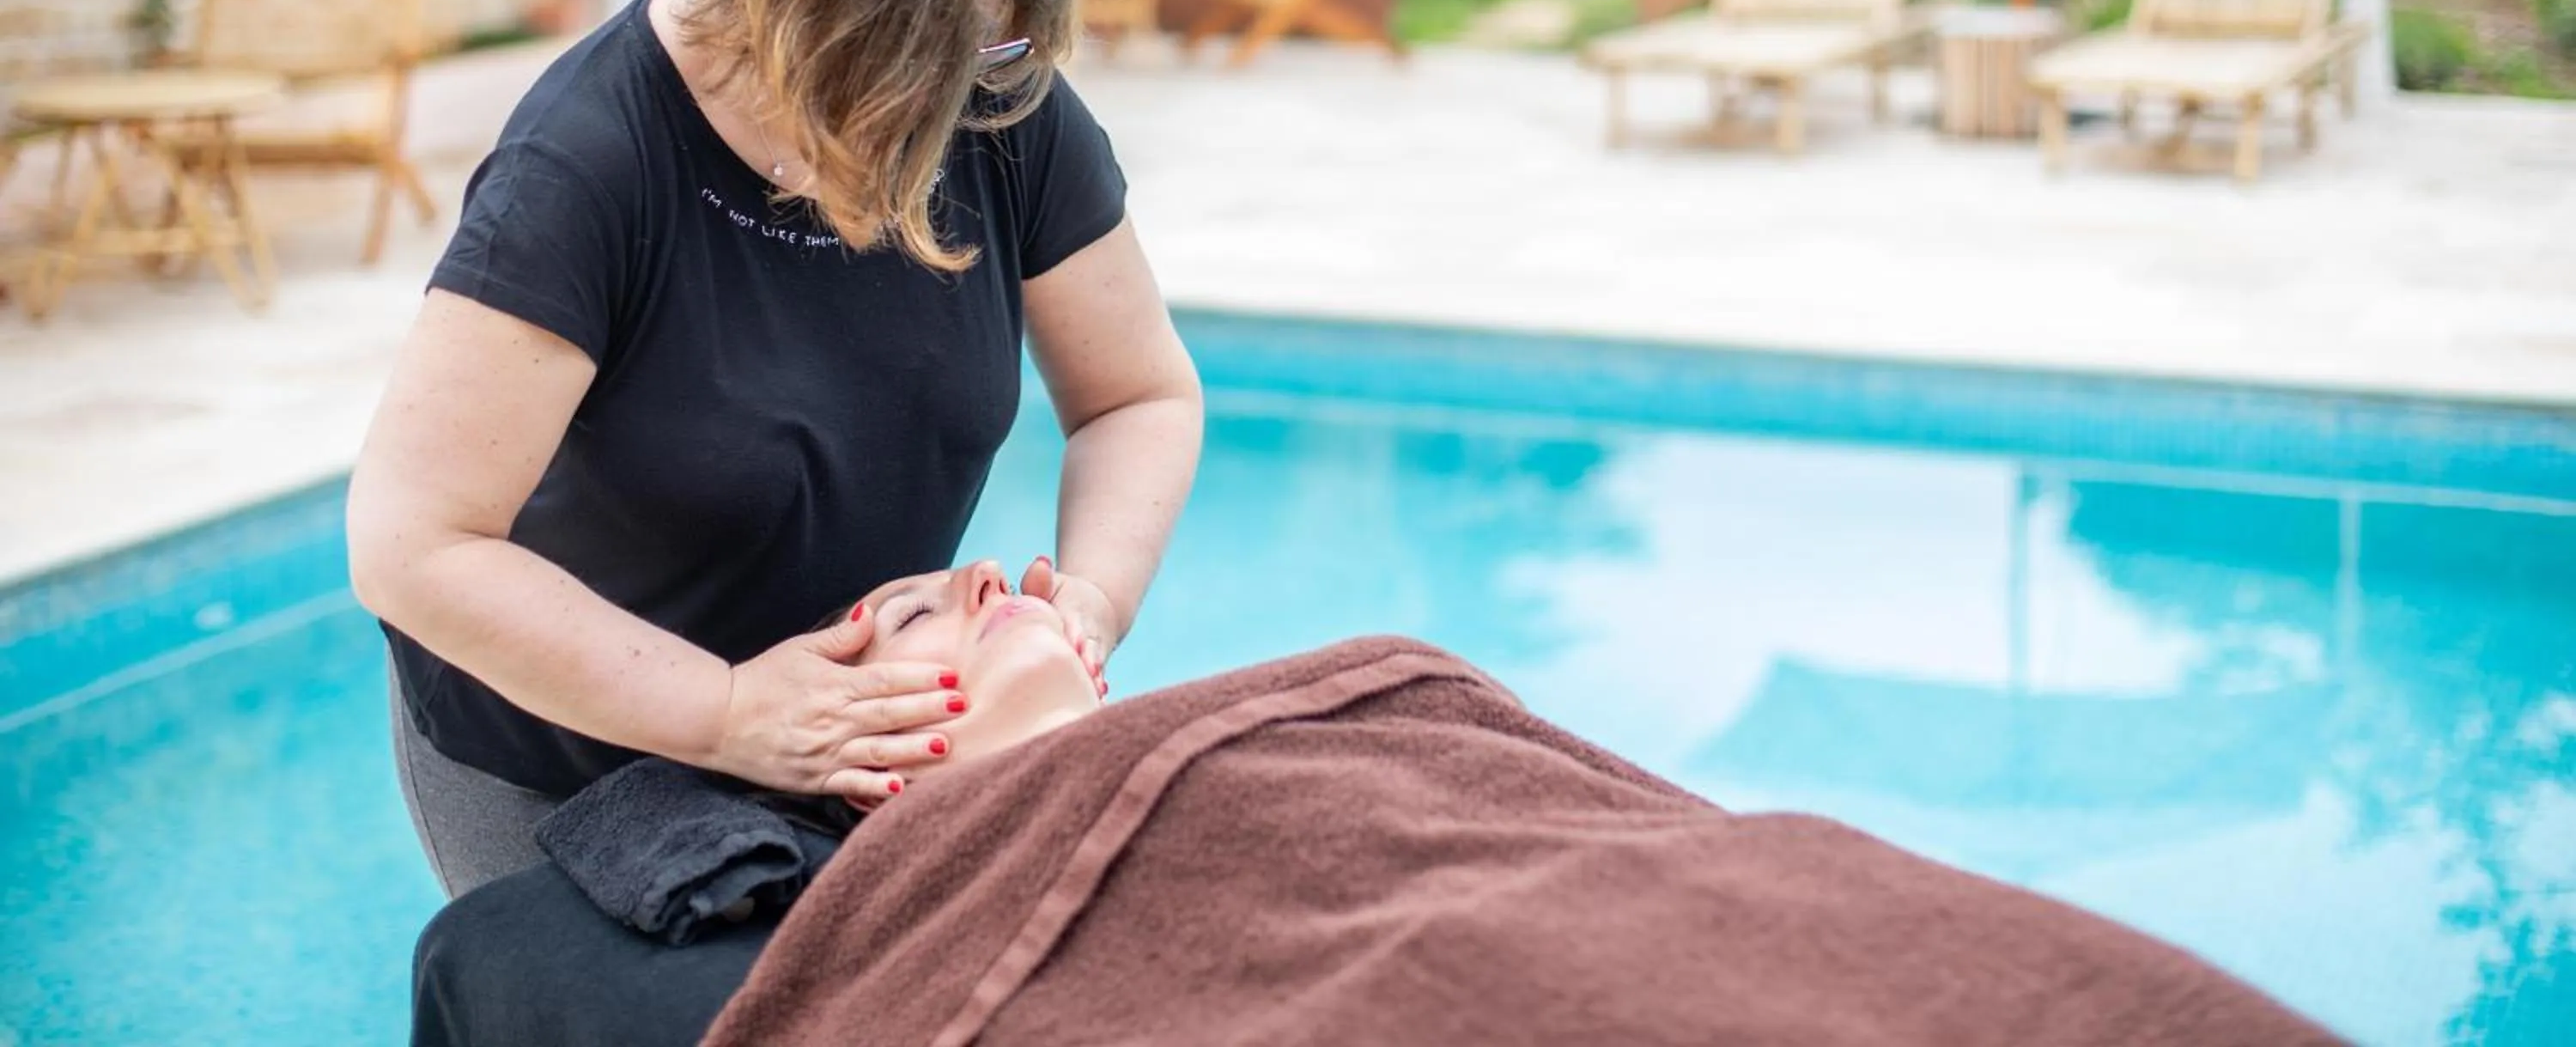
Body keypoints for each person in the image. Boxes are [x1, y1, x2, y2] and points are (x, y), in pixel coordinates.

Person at [348, 0, 1204, 901]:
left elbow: (1137, 395)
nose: (958, 109)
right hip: (568, 760)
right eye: (917, 75)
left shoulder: (996, 97)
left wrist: (1087, 612)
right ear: (791, 12)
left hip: (852, 758)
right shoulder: (589, 170)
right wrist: (728, 709)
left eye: (992, 58)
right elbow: (412, 545)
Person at [412, 565, 2337, 1047]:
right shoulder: (968, 862)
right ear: (880, 734)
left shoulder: (1313, 722)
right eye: (954, 598)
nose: (1019, 583)